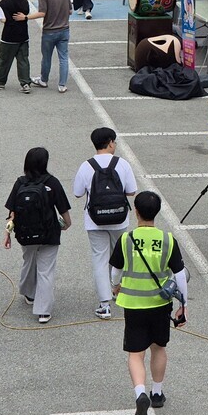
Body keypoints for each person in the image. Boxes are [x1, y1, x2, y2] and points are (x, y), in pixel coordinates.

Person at [109, 191, 187, 415]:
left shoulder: (126, 239)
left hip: (133, 304)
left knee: (136, 353)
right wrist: (183, 306)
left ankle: (139, 393)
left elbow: (115, 270)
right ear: (157, 212)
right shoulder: (167, 239)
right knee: (158, 348)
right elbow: (180, 275)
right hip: (160, 304)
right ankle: (157, 393)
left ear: (136, 211)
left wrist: (115, 287)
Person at [72, 127, 137, 319]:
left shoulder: (86, 166)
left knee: (99, 259)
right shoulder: (122, 164)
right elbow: (131, 191)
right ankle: (119, 290)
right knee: (121, 256)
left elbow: (77, 193)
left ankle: (104, 305)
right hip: (119, 219)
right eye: (114, 142)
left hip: (95, 220)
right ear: (109, 142)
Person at [3, 147, 72, 324]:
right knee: (46, 271)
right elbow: (64, 211)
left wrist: (8, 233)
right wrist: (65, 225)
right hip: (49, 234)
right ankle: (43, 311)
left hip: (25, 233)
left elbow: (12, 212)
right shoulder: (52, 182)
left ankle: (28, 292)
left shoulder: (20, 183)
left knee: (28, 261)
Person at [15, 0, 71, 93]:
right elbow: (70, 11)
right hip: (64, 29)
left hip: (49, 31)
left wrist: (25, 17)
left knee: (46, 57)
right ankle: (62, 85)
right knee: (63, 57)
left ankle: (44, 79)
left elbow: (42, 13)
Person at [0, 0, 32, 93]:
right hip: (23, 35)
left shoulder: (4, 3)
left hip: (8, 36)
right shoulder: (24, 2)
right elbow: (26, 13)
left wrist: (0, 18)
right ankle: (25, 83)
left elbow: (3, 19)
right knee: (23, 60)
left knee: (4, 59)